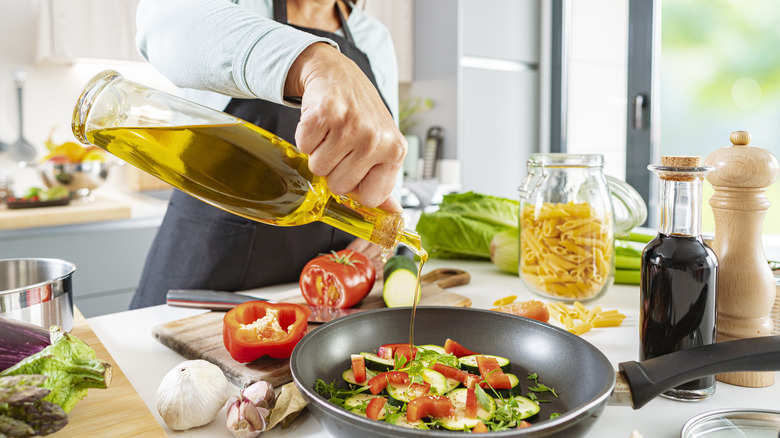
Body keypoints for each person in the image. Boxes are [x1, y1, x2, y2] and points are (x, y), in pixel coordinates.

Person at [129, 0, 407, 309]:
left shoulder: (374, 37)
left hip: (323, 291)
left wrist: (380, 230)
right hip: (211, 269)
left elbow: (380, 145)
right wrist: (314, 61)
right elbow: (161, 21)